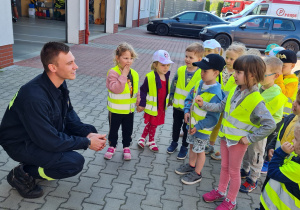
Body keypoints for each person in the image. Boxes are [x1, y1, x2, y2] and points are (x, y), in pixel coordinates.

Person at [0, 42, 107, 199]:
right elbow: (49, 141)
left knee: (90, 130)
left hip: (40, 133)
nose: (76, 66)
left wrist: (88, 134)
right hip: (20, 143)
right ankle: (22, 174)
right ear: (53, 68)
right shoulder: (34, 97)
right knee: (73, 163)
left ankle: (40, 164)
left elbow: (69, 116)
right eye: (70, 63)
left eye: (74, 61)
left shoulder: (58, 85)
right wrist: (86, 142)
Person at [197, 55, 276, 209]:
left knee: (234, 171)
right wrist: (204, 104)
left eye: (238, 72)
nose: (234, 75)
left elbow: (270, 125)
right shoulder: (234, 89)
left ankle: (231, 200)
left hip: (238, 142)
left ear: (252, 75)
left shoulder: (256, 100)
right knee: (225, 167)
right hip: (225, 137)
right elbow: (221, 106)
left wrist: (250, 139)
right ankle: (220, 191)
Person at [174, 54, 225, 185]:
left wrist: (199, 126)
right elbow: (189, 98)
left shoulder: (216, 94)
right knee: (192, 146)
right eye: (201, 70)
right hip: (192, 126)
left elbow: (213, 118)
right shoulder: (199, 83)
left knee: (200, 150)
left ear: (216, 73)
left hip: (202, 129)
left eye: (205, 71)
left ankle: (197, 173)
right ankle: (191, 165)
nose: (201, 73)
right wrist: (186, 110)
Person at [240, 57, 287, 193]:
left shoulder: (276, 94)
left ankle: (253, 179)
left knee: (257, 153)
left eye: (263, 74)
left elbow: (258, 110)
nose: (259, 76)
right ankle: (245, 169)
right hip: (253, 125)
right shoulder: (261, 86)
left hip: (264, 129)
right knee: (248, 150)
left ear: (276, 76)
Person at [205, 43, 246, 161]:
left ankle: (226, 152)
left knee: (227, 129)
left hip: (231, 107)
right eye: (227, 57)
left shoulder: (240, 74)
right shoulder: (221, 70)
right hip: (218, 103)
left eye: (232, 59)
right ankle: (210, 145)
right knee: (216, 125)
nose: (228, 60)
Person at [262, 49, 299, 172]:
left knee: (274, 138)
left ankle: (268, 161)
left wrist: (279, 77)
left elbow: (285, 93)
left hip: (284, 116)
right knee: (268, 138)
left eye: (283, 66)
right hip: (274, 112)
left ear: (293, 66)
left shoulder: (293, 80)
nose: (281, 68)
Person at [167, 42, 204, 159]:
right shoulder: (180, 70)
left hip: (191, 109)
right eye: (186, 56)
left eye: (191, 57)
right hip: (177, 106)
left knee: (186, 128)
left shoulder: (200, 74)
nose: (187, 59)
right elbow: (173, 85)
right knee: (176, 126)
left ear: (199, 59)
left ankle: (184, 147)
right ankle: (174, 143)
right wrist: (170, 98)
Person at [105, 42, 139, 160]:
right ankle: (112, 146)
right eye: (125, 58)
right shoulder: (113, 72)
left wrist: (139, 102)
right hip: (115, 110)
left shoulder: (134, 73)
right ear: (117, 58)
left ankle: (126, 147)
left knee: (127, 130)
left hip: (129, 110)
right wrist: (123, 75)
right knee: (113, 130)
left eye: (131, 58)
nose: (129, 61)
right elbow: (116, 89)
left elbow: (135, 90)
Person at [137, 50, 173, 152]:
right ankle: (150, 140)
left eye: (168, 65)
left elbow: (167, 90)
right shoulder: (150, 77)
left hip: (161, 106)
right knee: (152, 123)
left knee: (153, 124)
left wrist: (169, 100)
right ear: (155, 65)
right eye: (163, 65)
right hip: (153, 106)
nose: (166, 67)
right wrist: (142, 104)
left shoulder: (166, 76)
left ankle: (143, 138)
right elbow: (143, 90)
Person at [259, 122, 300, 210]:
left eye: (296, 139)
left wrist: (280, 153)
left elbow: (273, 172)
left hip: (276, 206)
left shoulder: (297, 168)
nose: (292, 140)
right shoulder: (297, 157)